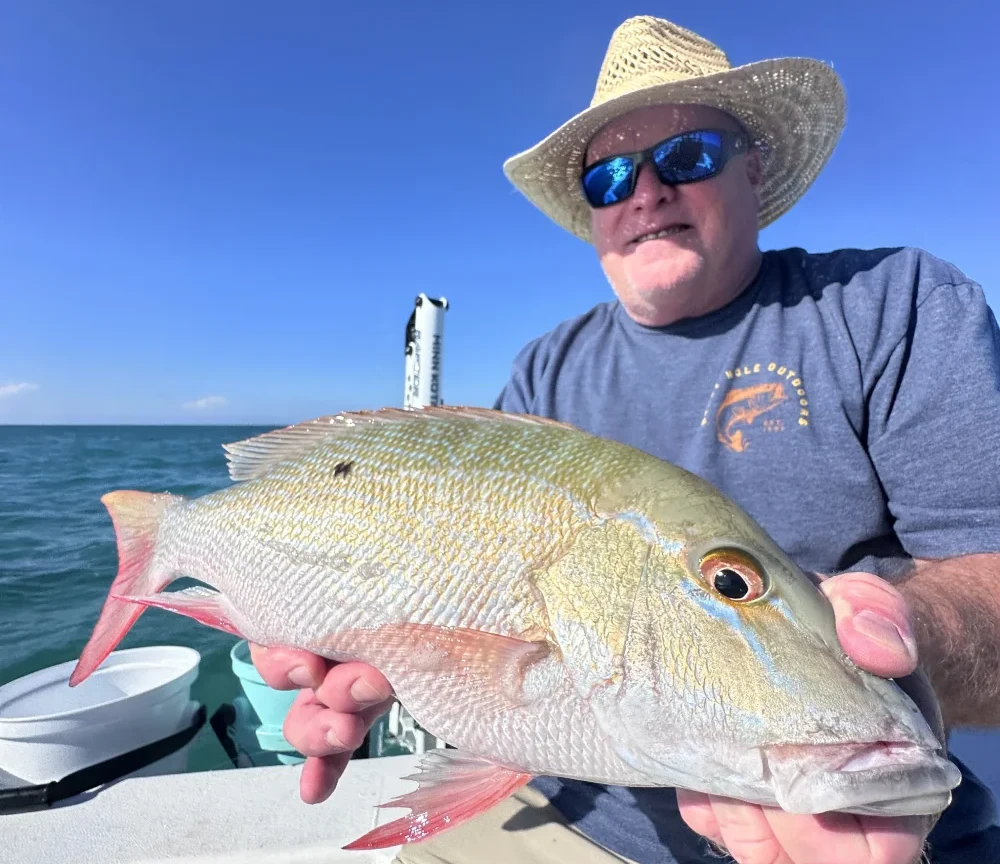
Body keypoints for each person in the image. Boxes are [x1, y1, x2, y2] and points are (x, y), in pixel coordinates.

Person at [250, 15, 1000, 864]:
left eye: (687, 157)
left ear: (756, 168)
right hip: (558, 799)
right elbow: (458, 581)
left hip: (856, 821)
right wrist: (361, 636)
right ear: (593, 213)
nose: (646, 191)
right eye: (609, 176)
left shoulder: (890, 303)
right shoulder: (546, 371)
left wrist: (908, 632)